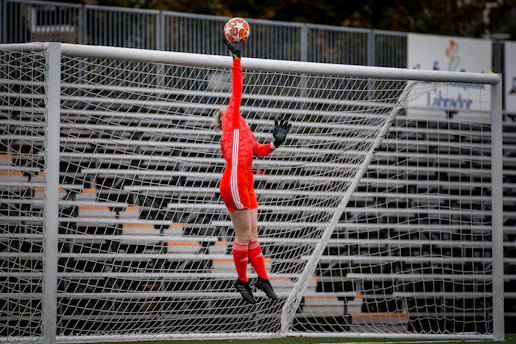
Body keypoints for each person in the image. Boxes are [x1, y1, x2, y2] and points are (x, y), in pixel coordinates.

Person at [213, 38, 291, 304]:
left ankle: (263, 279)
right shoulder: (231, 122)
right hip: (234, 178)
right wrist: (236, 59)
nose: (229, 111)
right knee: (244, 235)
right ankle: (242, 280)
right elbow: (236, 91)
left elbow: (258, 150)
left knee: (253, 234)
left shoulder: (243, 129)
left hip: (246, 178)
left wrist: (276, 143)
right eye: (225, 112)